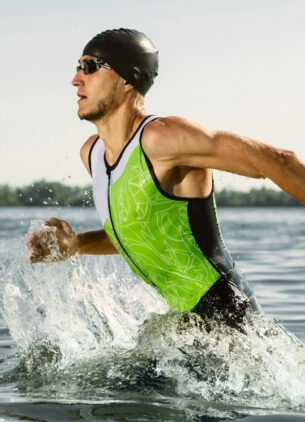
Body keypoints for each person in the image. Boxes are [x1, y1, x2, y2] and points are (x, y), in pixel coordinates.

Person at [28, 28, 305, 330]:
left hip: (229, 317)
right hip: (185, 324)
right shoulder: (92, 155)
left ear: (126, 79)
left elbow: (278, 160)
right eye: (77, 67)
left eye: (91, 67)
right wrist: (77, 244)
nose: (76, 79)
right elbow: (140, 232)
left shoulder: (161, 138)